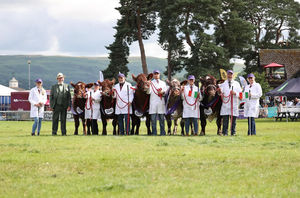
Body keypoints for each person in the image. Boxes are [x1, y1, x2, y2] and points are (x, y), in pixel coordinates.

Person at [219, 70, 242, 136]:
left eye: (231, 74)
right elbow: (220, 93)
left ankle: (233, 132)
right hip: (226, 104)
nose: (230, 76)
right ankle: (225, 132)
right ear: (227, 75)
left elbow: (241, 95)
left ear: (233, 75)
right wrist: (221, 93)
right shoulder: (223, 84)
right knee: (225, 120)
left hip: (234, 104)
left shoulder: (237, 84)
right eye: (228, 74)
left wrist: (235, 93)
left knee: (233, 120)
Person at [147, 70, 168, 136]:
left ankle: (163, 132)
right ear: (153, 75)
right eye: (155, 74)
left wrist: (162, 92)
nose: (156, 75)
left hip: (161, 102)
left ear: (159, 74)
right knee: (153, 120)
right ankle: (154, 133)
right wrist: (148, 86)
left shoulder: (163, 83)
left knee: (162, 119)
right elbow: (148, 92)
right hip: (153, 103)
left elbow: (165, 91)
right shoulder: (151, 83)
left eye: (157, 74)